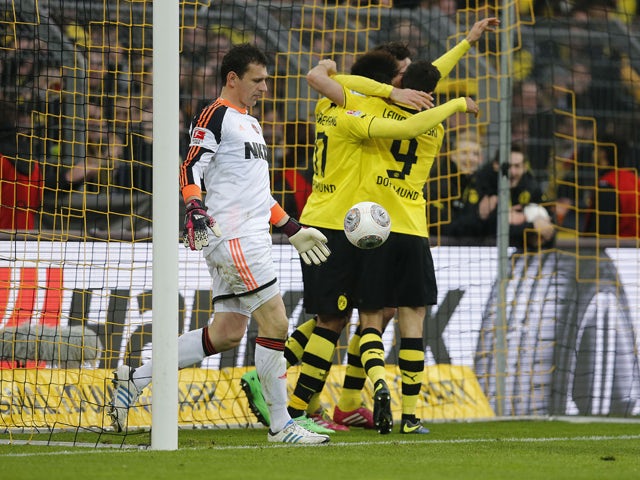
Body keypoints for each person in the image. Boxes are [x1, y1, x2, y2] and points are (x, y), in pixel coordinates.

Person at [242, 17, 495, 436]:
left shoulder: (335, 101)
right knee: (339, 318)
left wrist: (465, 42)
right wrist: (452, 104)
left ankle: (345, 402)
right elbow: (412, 116)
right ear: (385, 81)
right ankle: (293, 399)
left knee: (354, 312)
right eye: (400, 76)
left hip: (345, 220)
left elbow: (328, 75)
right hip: (347, 223)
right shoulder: (358, 113)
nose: (408, 84)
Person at [107, 43, 333, 444]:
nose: (265, 88)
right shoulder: (217, 114)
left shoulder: (252, 122)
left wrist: (293, 229)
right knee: (277, 324)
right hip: (236, 238)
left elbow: (259, 195)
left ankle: (134, 378)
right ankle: (282, 426)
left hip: (249, 236)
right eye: (257, 80)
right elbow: (191, 164)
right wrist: (194, 206)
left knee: (227, 332)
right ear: (233, 78)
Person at [455, 143, 555, 250]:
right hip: (482, 251)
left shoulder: (530, 185)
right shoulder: (483, 183)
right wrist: (530, 226)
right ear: (496, 166)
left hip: (522, 252)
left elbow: (550, 224)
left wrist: (539, 227)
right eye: (507, 166)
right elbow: (487, 229)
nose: (512, 172)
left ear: (524, 167)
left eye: (517, 166)